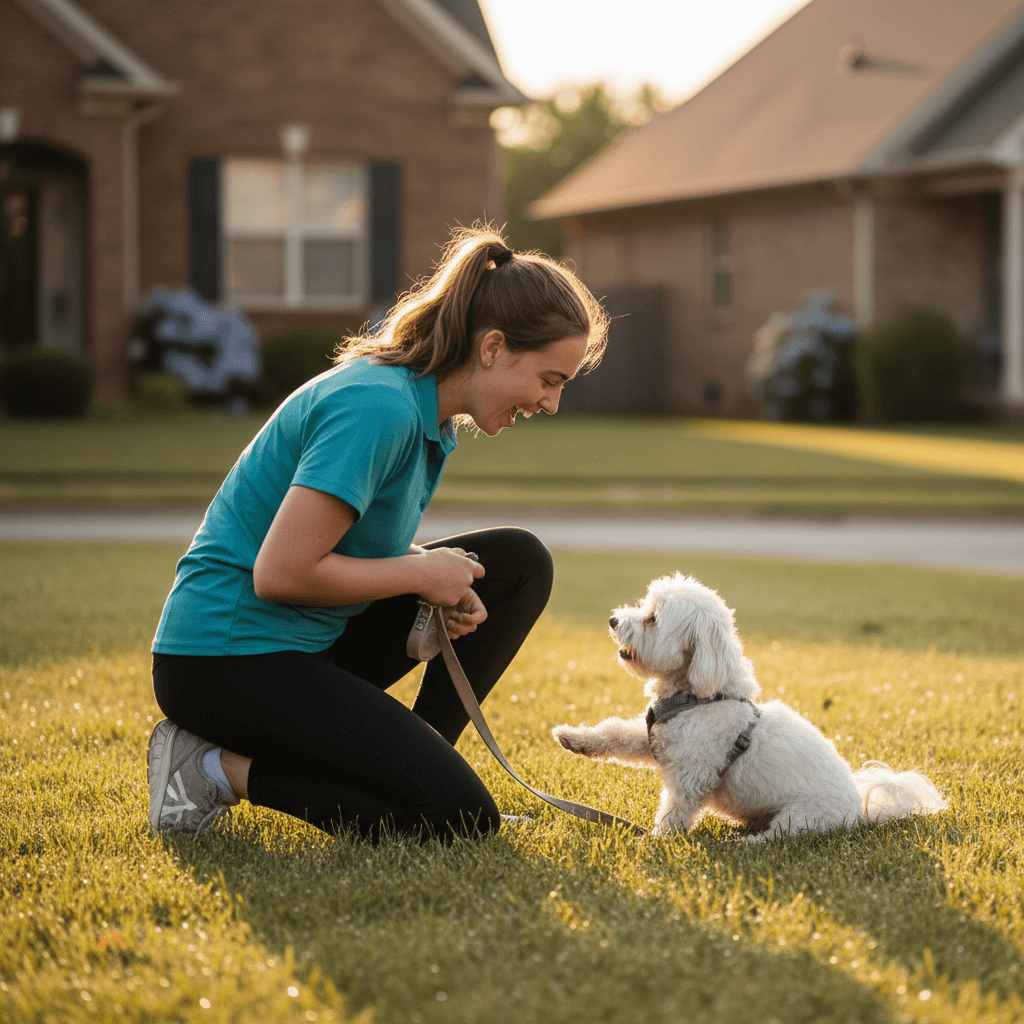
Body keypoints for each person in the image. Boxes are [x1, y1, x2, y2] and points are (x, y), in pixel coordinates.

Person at [147, 225, 608, 843]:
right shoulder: (378, 407)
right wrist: (422, 574)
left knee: (517, 562)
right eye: (549, 380)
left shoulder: (425, 413)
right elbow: (281, 573)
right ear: (494, 347)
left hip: (303, 642)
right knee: (455, 822)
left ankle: (420, 765)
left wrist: (427, 570)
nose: (550, 404)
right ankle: (210, 769)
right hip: (223, 661)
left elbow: (347, 548)